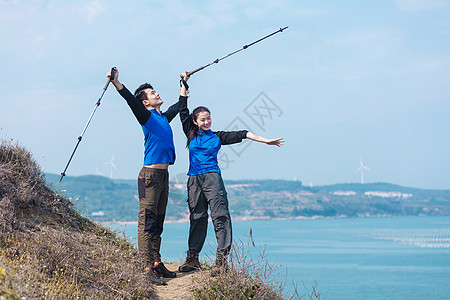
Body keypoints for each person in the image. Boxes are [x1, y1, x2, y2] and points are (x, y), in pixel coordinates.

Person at [177, 72, 284, 275]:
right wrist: (184, 82)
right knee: (197, 217)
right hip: (193, 180)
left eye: (209, 118)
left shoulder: (218, 137)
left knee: (220, 216)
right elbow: (182, 107)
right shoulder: (189, 132)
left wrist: (266, 140)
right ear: (195, 121)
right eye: (203, 119)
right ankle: (193, 260)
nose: (207, 122)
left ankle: (222, 262)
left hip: (212, 179)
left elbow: (243, 133)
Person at [107, 68, 177, 285]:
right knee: (147, 223)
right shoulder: (146, 117)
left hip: (163, 176)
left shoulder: (162, 118)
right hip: (149, 176)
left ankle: (156, 263)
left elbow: (179, 106)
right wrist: (117, 83)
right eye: (152, 93)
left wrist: (184, 88)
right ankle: (146, 269)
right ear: (145, 103)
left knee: (158, 222)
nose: (156, 94)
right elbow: (131, 101)